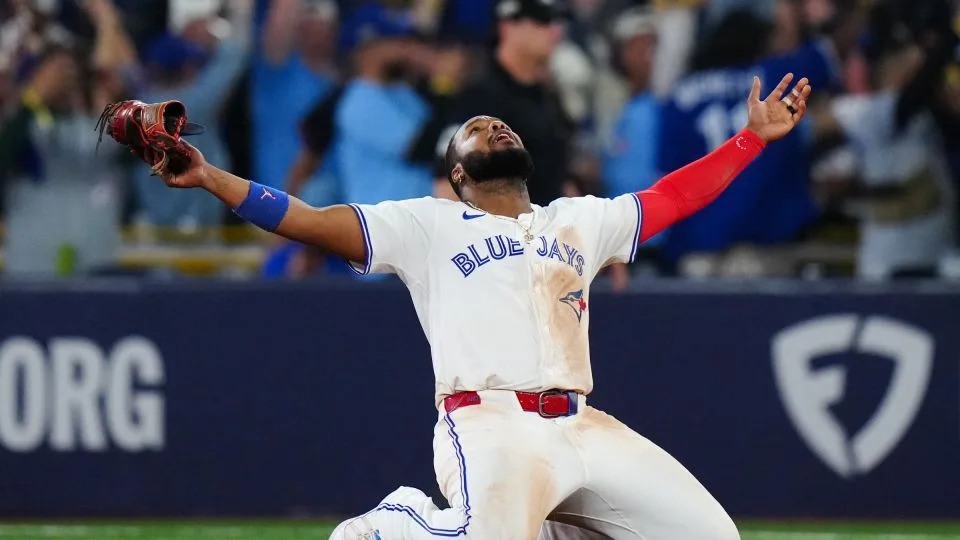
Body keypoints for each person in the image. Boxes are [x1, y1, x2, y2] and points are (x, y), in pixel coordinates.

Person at [134, 69, 811, 538]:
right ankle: (394, 526)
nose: (495, 127)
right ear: (458, 174)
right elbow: (308, 220)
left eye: (500, 125)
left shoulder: (579, 219)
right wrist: (211, 178)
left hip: (582, 426)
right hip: (492, 426)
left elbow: (673, 198)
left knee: (711, 535)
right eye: (478, 129)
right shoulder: (429, 224)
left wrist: (750, 139)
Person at [657, 5, 838, 273]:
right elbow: (828, 56)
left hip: (697, 241)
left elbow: (666, 169)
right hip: (763, 236)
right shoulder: (773, 75)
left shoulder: (681, 94)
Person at [432, 0, 575, 205]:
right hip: (505, 232)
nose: (554, 32)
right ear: (508, 27)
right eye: (541, 21)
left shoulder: (546, 95)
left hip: (545, 230)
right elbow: (447, 184)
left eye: (556, 23)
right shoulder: (481, 96)